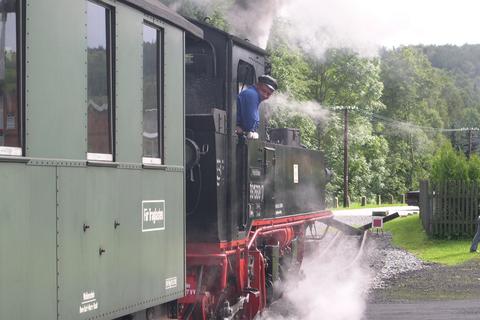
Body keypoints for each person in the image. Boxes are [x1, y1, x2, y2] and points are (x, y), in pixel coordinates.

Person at [236, 74, 277, 139]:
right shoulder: (252, 95)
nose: (265, 95)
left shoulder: (255, 97)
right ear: (257, 85)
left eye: (269, 94)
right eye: (263, 91)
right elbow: (249, 125)